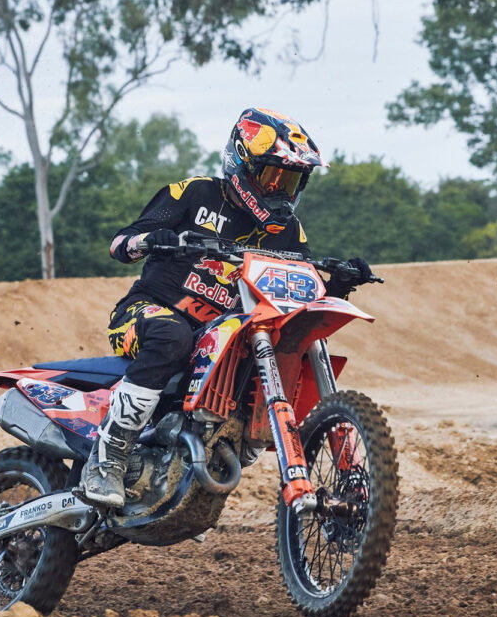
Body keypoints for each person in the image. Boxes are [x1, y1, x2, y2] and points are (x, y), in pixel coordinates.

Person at [80, 107, 372, 508]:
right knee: (172, 335)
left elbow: (301, 285)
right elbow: (120, 244)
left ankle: (201, 470)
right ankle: (107, 459)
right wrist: (151, 240)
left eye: (291, 181)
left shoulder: (287, 230)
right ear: (242, 164)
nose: (280, 191)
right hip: (147, 313)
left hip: (223, 333)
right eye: (273, 177)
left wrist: (337, 280)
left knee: (289, 342)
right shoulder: (195, 193)